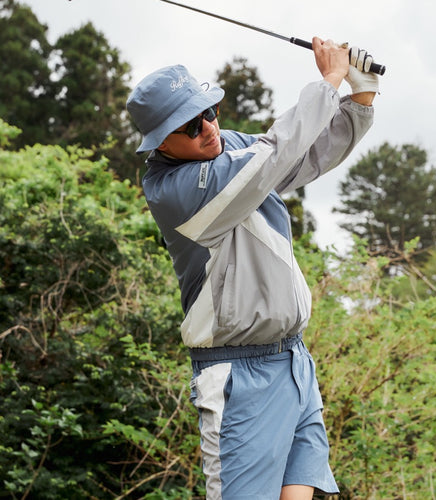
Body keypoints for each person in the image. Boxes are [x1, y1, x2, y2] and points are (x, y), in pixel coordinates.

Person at [126, 38, 378, 500]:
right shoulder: (175, 190)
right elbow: (270, 156)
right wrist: (327, 83)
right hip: (238, 378)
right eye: (189, 125)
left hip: (294, 363)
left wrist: (358, 99)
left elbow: (304, 153)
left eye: (209, 112)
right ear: (161, 142)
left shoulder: (231, 149)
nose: (207, 128)